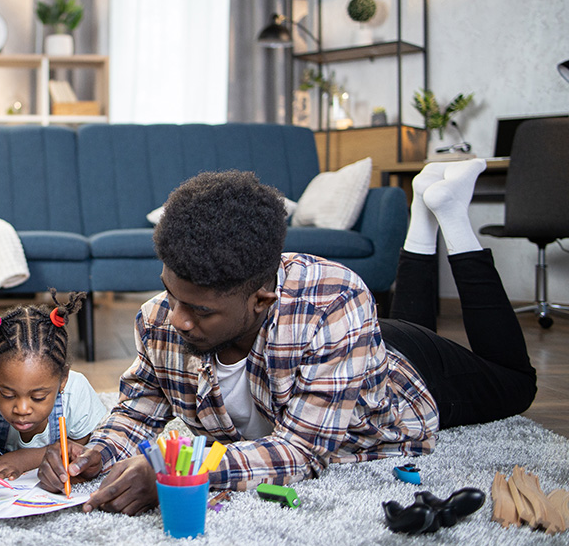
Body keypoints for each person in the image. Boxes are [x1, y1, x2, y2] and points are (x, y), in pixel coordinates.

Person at [37, 162, 536, 515]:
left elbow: (300, 452)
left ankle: (450, 217)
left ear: (261, 299)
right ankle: (424, 215)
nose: (179, 319)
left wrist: (180, 474)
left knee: (517, 385)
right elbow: (136, 410)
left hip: (410, 371)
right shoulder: (160, 319)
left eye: (201, 309)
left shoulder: (338, 301)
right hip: (342, 346)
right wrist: (95, 453)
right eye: (173, 295)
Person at [0, 290, 109, 501]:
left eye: (37, 397)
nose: (22, 409)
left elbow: (81, 447)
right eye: (8, 395)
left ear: (63, 379)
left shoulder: (76, 391)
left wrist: (26, 458)